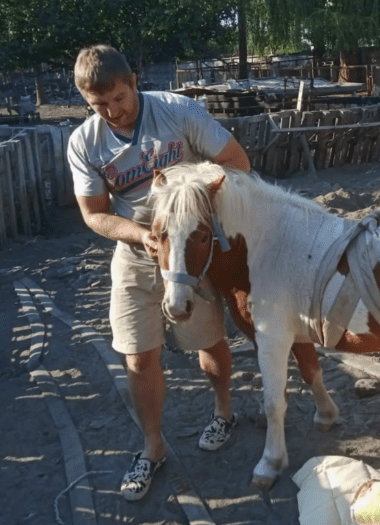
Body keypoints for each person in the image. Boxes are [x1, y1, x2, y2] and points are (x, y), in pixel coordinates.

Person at [66, 44, 251, 501]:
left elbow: (236, 163)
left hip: (189, 249)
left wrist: (187, 205)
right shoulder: (84, 143)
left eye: (119, 99)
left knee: (208, 340)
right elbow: (94, 214)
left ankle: (223, 411)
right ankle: (153, 446)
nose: (113, 112)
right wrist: (137, 233)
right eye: (99, 105)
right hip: (135, 253)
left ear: (133, 82)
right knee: (137, 355)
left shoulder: (178, 111)